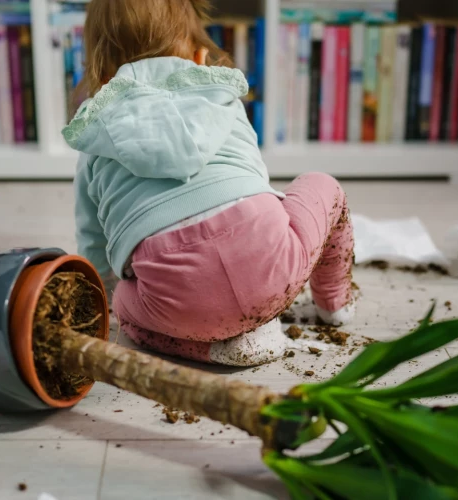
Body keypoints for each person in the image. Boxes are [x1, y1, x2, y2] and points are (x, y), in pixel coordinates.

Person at [63, 0, 356, 367]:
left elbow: (93, 239)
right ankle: (335, 303)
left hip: (176, 306)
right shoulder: (221, 97)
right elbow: (253, 178)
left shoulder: (95, 135)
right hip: (274, 269)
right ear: (200, 56)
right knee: (322, 185)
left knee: (124, 305)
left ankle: (213, 349)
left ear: (103, 76)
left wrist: (104, 293)